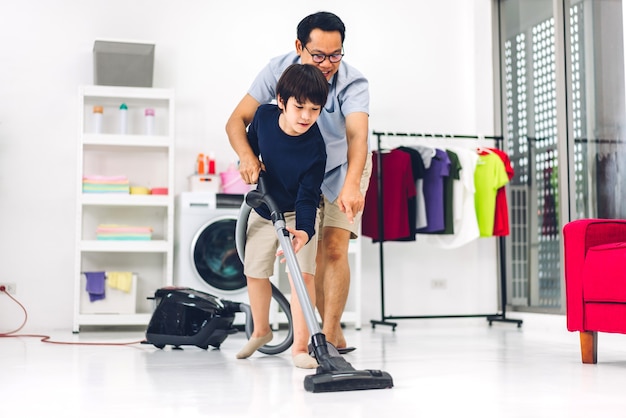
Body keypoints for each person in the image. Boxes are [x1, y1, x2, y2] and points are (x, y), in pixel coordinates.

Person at [226, 11, 371, 352]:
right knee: (306, 257)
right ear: (299, 47)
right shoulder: (278, 71)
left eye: (335, 54)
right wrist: (248, 157)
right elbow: (237, 120)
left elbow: (357, 140)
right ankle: (286, 330)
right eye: (318, 54)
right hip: (293, 172)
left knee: (333, 248)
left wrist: (351, 185)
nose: (327, 63)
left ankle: (330, 335)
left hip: (343, 166)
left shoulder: (353, 83)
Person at [235, 63, 329, 369]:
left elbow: (307, 196)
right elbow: (249, 148)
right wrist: (247, 161)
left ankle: (300, 348)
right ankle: (261, 330)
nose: (305, 116)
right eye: (299, 107)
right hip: (264, 207)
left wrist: (303, 231)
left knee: (301, 276)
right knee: (255, 270)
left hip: (297, 213)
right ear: (281, 100)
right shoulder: (262, 117)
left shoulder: (315, 148)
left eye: (314, 110)